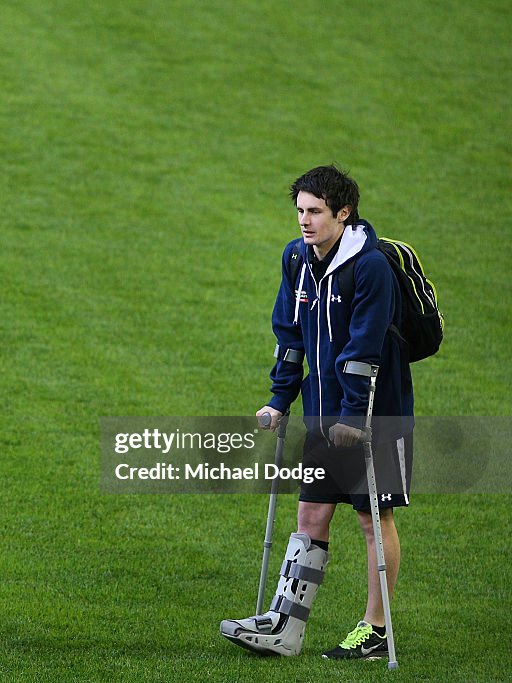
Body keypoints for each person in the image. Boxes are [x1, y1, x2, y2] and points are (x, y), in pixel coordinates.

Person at [220, 165, 413, 660]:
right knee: (310, 511)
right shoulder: (296, 258)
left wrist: (353, 416)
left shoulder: (370, 267)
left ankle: (376, 630)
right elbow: (290, 335)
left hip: (374, 412)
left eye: (315, 212)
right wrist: (280, 399)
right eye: (300, 211)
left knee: (373, 516)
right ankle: (285, 625)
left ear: (343, 213)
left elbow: (364, 348)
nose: (305, 221)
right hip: (323, 415)